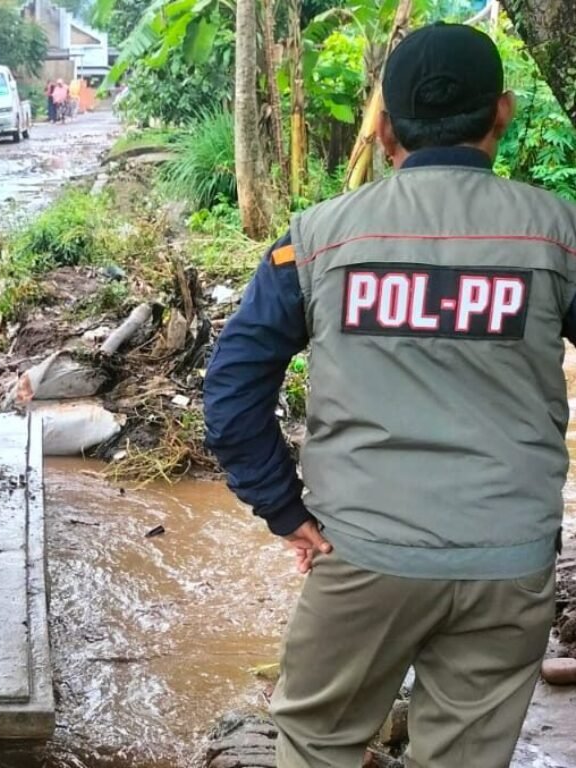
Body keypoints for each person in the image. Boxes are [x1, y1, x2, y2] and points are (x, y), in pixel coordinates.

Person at [203, 22, 575, 768]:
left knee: (316, 744)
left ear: (383, 124)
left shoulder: (317, 242)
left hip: (362, 554)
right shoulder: (558, 237)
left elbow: (233, 387)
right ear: (501, 113)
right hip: (509, 562)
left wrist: (286, 511)